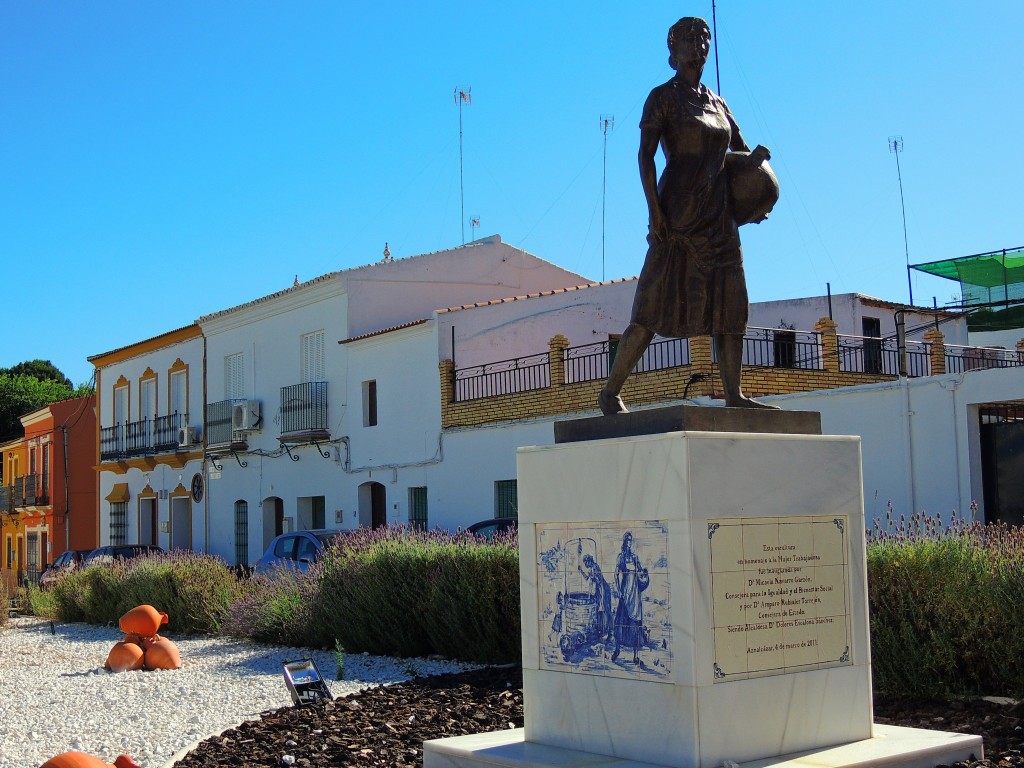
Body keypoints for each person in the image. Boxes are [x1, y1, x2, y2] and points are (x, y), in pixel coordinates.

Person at [599, 16, 775, 415]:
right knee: (650, 308)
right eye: (691, 39)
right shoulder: (662, 97)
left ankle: (734, 394)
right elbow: (645, 155)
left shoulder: (718, 102)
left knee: (732, 305)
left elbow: (739, 157)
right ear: (673, 50)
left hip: (719, 216)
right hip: (677, 215)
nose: (699, 45)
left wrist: (756, 189)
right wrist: (654, 213)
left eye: (704, 38)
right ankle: (611, 391)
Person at [612, 531, 649, 663]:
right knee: (621, 622)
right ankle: (617, 649)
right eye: (627, 540)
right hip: (625, 594)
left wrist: (644, 573)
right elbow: (615, 574)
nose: (629, 543)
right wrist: (618, 590)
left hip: (635, 595)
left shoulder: (635, 557)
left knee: (635, 625)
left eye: (630, 541)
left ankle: (635, 656)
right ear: (624, 542)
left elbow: (640, 571)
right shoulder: (621, 557)